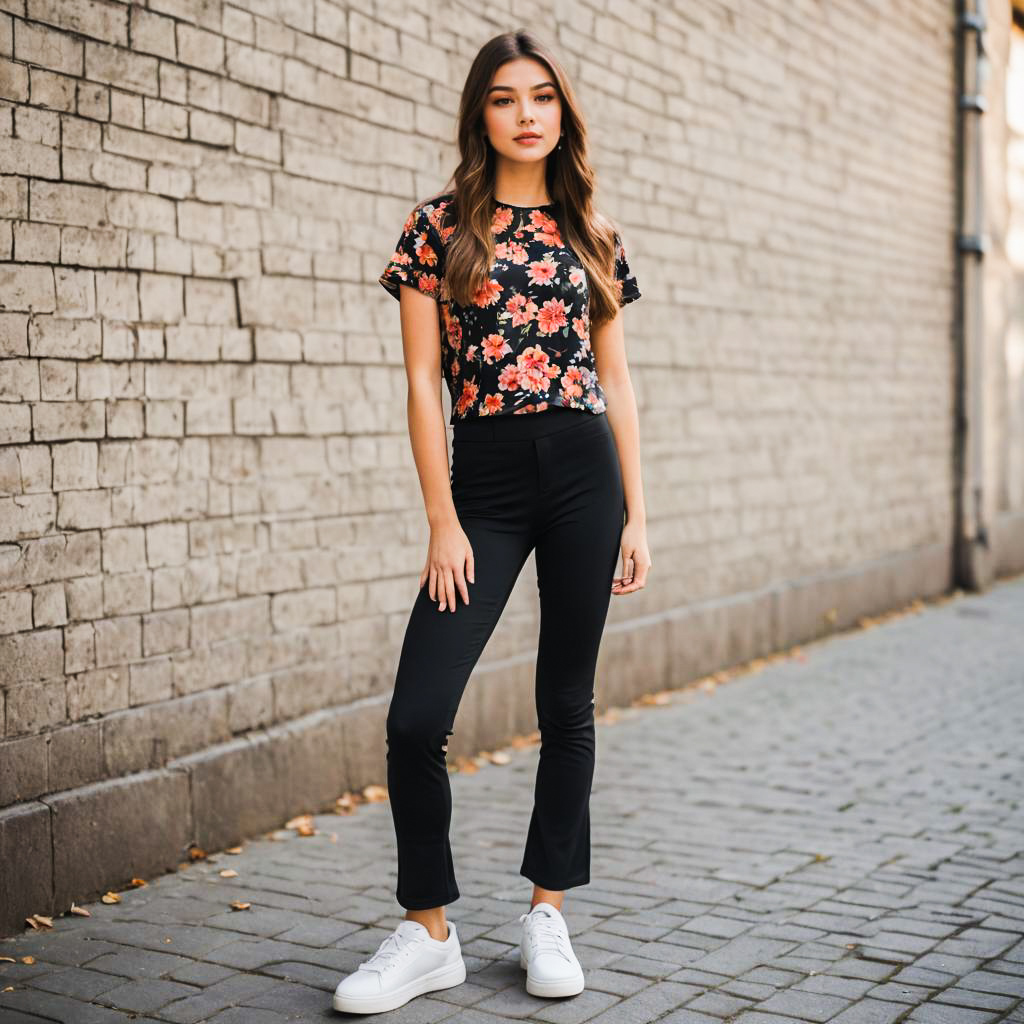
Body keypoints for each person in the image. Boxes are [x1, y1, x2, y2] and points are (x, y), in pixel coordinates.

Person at [333, 27, 652, 1016]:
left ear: (562, 112)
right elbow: (423, 385)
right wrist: (443, 518)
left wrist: (638, 512)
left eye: (542, 96)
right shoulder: (438, 228)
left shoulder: (591, 229)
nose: (526, 112)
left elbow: (617, 378)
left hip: (585, 475)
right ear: (481, 113)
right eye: (506, 97)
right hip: (486, 479)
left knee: (567, 701)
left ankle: (546, 910)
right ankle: (427, 931)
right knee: (417, 715)